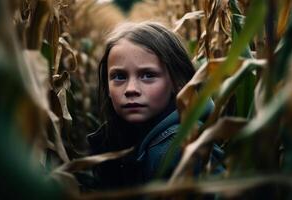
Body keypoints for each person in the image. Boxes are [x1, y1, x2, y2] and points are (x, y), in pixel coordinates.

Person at [84, 21, 223, 190]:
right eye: (119, 76)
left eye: (148, 75)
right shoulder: (124, 138)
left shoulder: (179, 151)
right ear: (107, 86)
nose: (131, 89)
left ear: (178, 82)